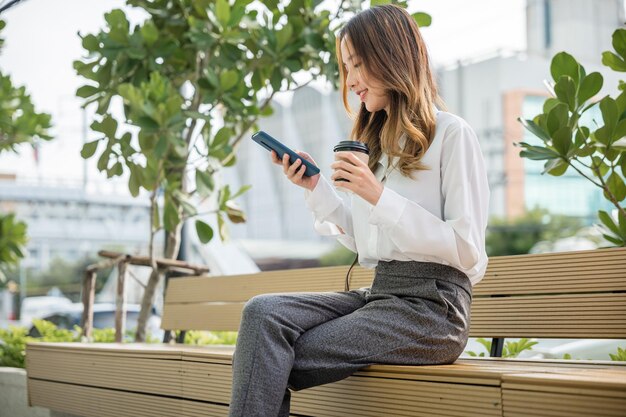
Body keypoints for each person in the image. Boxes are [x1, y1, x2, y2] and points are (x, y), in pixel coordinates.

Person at [228, 4, 490, 417]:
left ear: (392, 55)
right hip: (382, 294)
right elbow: (367, 241)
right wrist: (316, 187)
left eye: (357, 65)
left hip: (434, 309)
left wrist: (376, 195)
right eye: (346, 69)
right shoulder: (380, 148)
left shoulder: (452, 135)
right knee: (262, 313)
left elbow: (466, 249)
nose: (350, 83)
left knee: (271, 355)